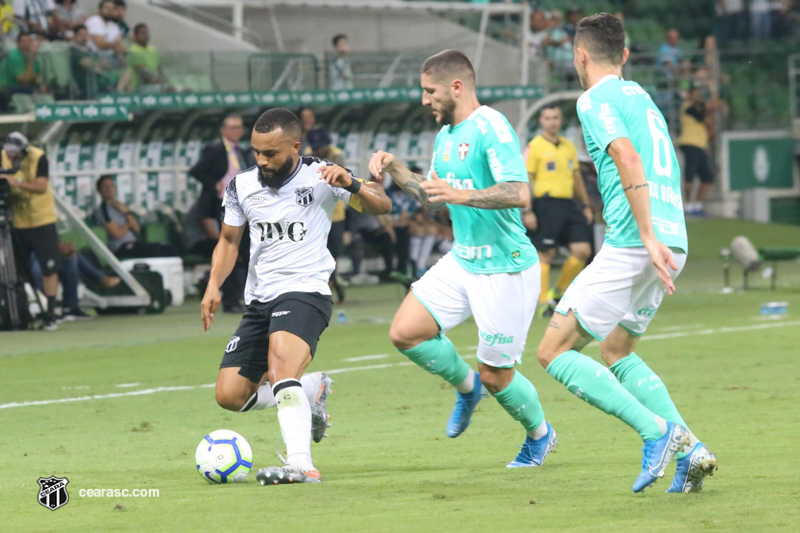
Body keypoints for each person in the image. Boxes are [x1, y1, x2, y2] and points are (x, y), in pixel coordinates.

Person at [536, 13, 717, 493]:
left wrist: (645, 235)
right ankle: (693, 450)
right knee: (615, 349)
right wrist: (662, 236)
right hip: (671, 239)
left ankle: (657, 433)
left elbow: (628, 157)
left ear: (579, 55)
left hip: (639, 242)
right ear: (626, 56)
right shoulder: (644, 97)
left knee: (552, 351)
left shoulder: (594, 99)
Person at [369, 50, 558, 468]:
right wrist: (397, 169)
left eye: (429, 91)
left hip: (505, 266)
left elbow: (519, 192)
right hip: (464, 260)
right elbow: (433, 198)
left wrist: (463, 196)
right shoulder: (446, 136)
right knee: (405, 332)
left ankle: (539, 435)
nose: (424, 100)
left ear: (456, 87)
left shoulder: (492, 126)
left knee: (498, 376)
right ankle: (467, 387)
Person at [202, 108, 391, 485]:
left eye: (270, 153)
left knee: (280, 370)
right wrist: (213, 285)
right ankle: (311, 388)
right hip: (260, 299)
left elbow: (382, 205)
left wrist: (353, 183)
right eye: (256, 152)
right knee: (230, 395)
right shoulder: (241, 186)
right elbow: (228, 241)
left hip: (306, 291)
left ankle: (302, 464)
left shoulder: (322, 173)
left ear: (295, 146)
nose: (262, 161)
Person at [524, 103, 593, 318]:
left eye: (555, 117)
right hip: (545, 204)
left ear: (560, 121)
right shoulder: (534, 147)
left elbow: (576, 177)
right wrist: (528, 210)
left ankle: (558, 292)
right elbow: (527, 178)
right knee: (545, 253)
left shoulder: (568, 146)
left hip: (569, 204)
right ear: (541, 122)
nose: (552, 121)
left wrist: (585, 204)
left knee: (583, 250)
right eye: (548, 118)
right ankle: (543, 302)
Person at [0, 132, 61, 330]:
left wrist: (14, 183)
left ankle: (51, 313)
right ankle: (19, 312)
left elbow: (41, 186)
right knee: (15, 271)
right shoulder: (4, 155)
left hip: (41, 220)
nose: (10, 158)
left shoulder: (38, 157)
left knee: (48, 268)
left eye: (14, 155)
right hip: (18, 221)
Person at [94, 175, 178, 258]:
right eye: (105, 187)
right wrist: (127, 224)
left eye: (111, 186)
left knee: (167, 248)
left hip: (133, 244)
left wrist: (126, 212)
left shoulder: (120, 206)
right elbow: (116, 234)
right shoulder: (103, 210)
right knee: (154, 251)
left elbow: (136, 228)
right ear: (100, 190)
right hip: (120, 248)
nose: (109, 189)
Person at [189, 113, 255, 202]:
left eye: (239, 128)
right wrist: (214, 184)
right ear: (223, 130)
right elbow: (196, 170)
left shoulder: (242, 152)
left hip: (239, 200)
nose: (236, 131)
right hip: (219, 201)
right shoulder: (214, 150)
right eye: (232, 128)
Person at [679, 86, 714, 217]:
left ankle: (697, 204)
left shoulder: (698, 107)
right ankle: (688, 205)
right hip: (689, 143)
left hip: (700, 145)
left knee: (707, 177)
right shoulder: (688, 107)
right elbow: (703, 119)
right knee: (690, 176)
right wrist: (709, 108)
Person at [69, 24, 119, 98]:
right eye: (81, 34)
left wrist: (96, 64)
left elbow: (105, 64)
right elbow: (86, 63)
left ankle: (120, 96)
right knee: (110, 78)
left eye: (86, 34)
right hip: (85, 81)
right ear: (75, 36)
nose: (84, 37)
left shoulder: (90, 50)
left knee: (117, 75)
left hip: (98, 76)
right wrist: (97, 64)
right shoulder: (73, 50)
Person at [124, 23, 167, 92]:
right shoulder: (133, 50)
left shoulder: (153, 50)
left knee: (185, 90)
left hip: (157, 84)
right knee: (168, 90)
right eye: (141, 33)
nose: (145, 35)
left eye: (146, 32)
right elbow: (143, 74)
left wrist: (165, 81)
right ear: (135, 35)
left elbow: (160, 69)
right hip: (141, 87)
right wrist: (159, 81)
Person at [0, 32, 46, 96]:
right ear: (18, 43)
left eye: (29, 41)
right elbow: (22, 81)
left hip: (22, 85)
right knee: (31, 90)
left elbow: (34, 77)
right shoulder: (14, 55)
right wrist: (31, 61)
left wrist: (41, 86)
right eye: (24, 42)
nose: (27, 44)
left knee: (48, 88)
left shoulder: (31, 55)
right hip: (7, 86)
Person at [85, 0, 125, 67]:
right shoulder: (95, 20)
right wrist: (114, 44)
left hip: (110, 57)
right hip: (93, 55)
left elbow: (119, 47)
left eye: (112, 9)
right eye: (107, 8)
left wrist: (117, 47)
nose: (109, 11)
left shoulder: (114, 26)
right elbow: (100, 45)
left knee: (125, 65)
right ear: (100, 9)